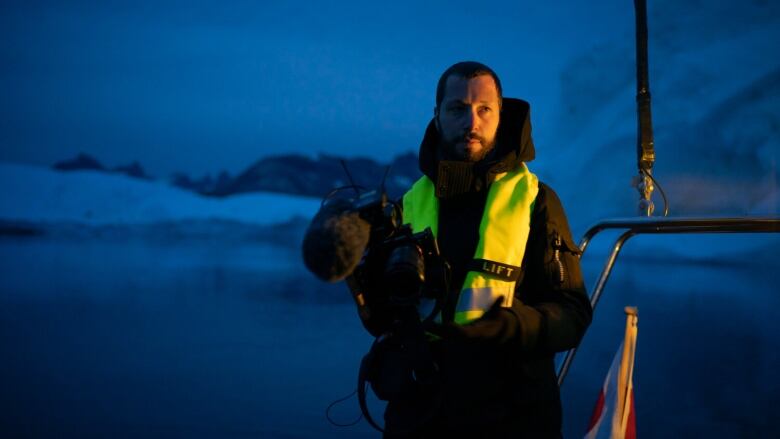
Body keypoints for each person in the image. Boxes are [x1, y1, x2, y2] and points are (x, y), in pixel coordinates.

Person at [360, 61, 592, 438]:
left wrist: (511, 325)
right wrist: (358, 273)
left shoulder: (537, 201)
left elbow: (573, 314)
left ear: (501, 116)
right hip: (420, 415)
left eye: (484, 109)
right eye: (457, 109)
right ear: (437, 117)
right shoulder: (407, 205)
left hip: (512, 416)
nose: (472, 122)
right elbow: (382, 318)